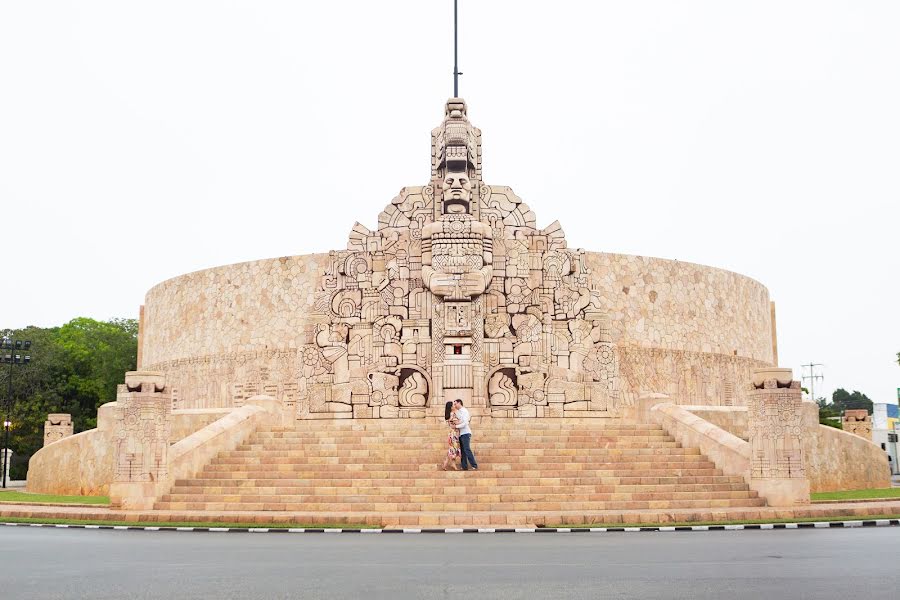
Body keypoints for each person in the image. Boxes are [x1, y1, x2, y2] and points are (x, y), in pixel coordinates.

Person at [453, 399, 478, 471]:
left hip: (466, 433)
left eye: (455, 404)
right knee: (463, 451)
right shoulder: (459, 412)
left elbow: (465, 423)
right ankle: (464, 466)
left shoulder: (464, 411)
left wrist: (456, 426)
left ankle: (474, 465)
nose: (454, 405)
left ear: (459, 403)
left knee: (467, 449)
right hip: (461, 434)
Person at [441, 401, 461, 471]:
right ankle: (449, 463)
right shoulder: (453, 414)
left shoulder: (449, 414)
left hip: (451, 433)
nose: (454, 406)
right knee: (453, 449)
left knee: (452, 449)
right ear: (451, 407)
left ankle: (448, 463)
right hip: (454, 434)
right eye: (453, 405)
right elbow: (457, 422)